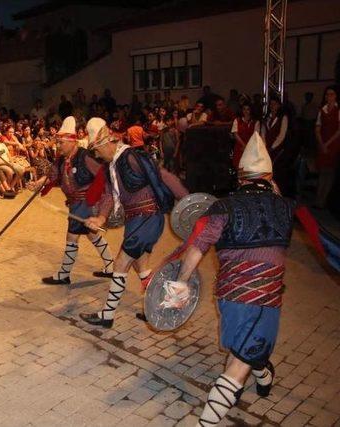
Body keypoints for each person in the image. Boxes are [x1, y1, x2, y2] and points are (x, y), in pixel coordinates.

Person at [170, 133, 294, 426]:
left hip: (229, 297)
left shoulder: (222, 207)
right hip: (265, 299)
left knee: (244, 348)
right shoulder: (287, 207)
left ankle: (262, 377)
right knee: (240, 361)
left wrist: (181, 283)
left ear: (240, 177)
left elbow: (196, 247)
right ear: (269, 176)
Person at [80, 118, 188, 328]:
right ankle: (163, 305)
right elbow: (110, 195)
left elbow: (164, 176)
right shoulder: (112, 166)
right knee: (142, 265)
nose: (96, 154)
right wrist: (100, 218)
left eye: (96, 150)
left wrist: (188, 203)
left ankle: (107, 315)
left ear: (105, 143)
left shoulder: (131, 157)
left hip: (147, 218)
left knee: (121, 263)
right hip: (136, 221)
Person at [31, 117, 114, 285]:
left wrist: (104, 203)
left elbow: (103, 176)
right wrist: (38, 183)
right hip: (76, 203)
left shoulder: (86, 157)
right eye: (58, 143)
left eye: (61, 142)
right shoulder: (61, 159)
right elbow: (52, 175)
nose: (58, 146)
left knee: (72, 237)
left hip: (87, 203)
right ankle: (110, 267)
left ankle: (64, 274)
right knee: (92, 235)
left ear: (72, 141)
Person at [314, 85, 340, 209]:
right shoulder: (322, 110)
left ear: (336, 96)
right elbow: (317, 128)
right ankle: (319, 200)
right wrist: (321, 143)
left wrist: (328, 143)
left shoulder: (338, 110)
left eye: (331, 94)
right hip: (322, 142)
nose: (328, 97)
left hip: (333, 143)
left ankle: (323, 201)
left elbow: (338, 131)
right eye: (327, 94)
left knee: (330, 172)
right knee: (322, 172)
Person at [231, 103, 260, 169]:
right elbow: (235, 134)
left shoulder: (256, 122)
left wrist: (248, 147)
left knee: (249, 168)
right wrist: (244, 145)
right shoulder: (237, 120)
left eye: (248, 109)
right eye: (244, 109)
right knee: (239, 167)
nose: (246, 111)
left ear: (251, 110)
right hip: (239, 147)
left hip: (251, 147)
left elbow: (255, 136)